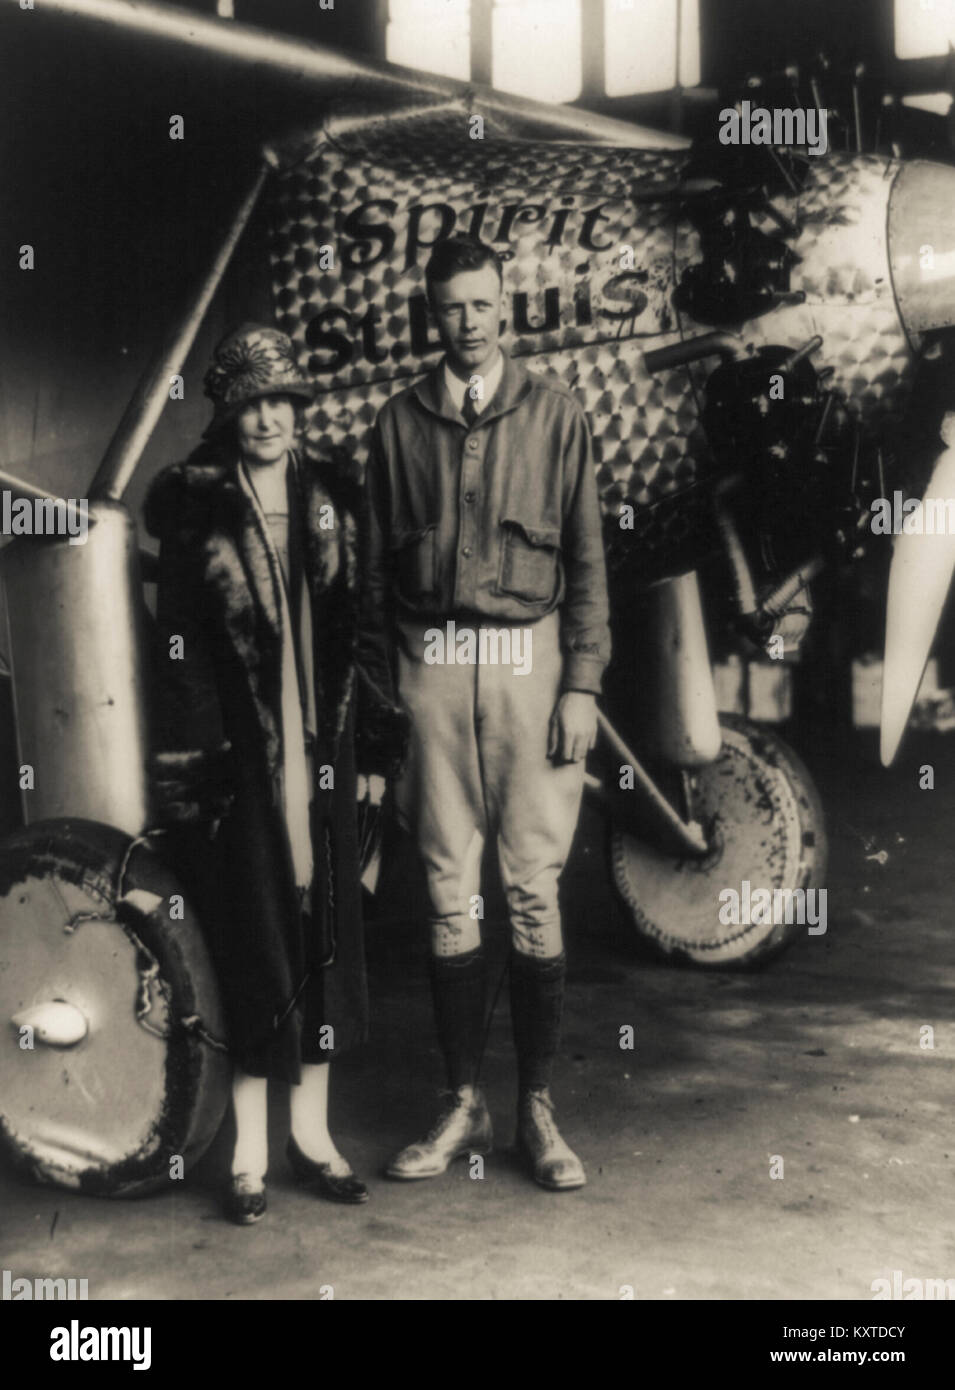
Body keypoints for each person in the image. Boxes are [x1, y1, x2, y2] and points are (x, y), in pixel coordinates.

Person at [359, 236, 611, 1191]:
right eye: (450, 308)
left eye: (481, 305)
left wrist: (581, 683)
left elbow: (587, 562)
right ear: (432, 314)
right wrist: (382, 716)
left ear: (506, 307)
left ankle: (537, 1111)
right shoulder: (396, 422)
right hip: (430, 667)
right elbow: (374, 586)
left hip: (528, 665)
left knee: (532, 887)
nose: (468, 323)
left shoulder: (556, 416)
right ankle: (462, 1103)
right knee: (444, 887)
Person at [145, 323, 407, 1224]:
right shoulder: (195, 505)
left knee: (325, 938)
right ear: (227, 411)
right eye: (252, 403)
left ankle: (316, 1138)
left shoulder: (335, 496)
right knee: (255, 940)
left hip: (324, 751)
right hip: (245, 767)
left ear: (301, 409)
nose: (269, 419)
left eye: (283, 402)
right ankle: (249, 1154)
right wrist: (199, 775)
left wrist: (373, 747)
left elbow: (367, 631)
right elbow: (175, 655)